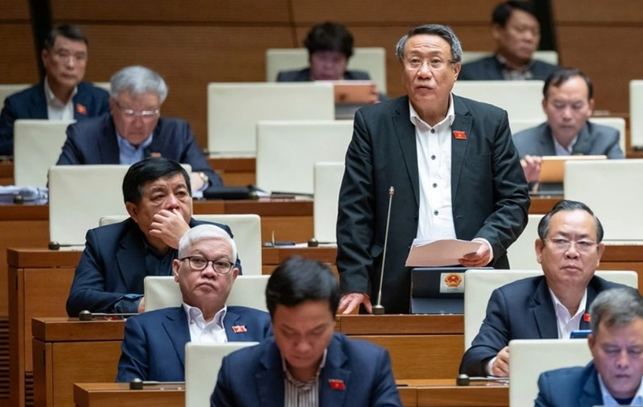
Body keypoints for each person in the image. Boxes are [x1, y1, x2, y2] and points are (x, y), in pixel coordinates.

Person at [336, 24, 530, 315]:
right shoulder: (373, 124)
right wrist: (354, 281)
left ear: (455, 71)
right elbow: (355, 209)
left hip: (477, 272)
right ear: (403, 69)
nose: (423, 72)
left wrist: (488, 243)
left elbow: (514, 200)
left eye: (435, 62)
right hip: (392, 279)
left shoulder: (489, 122)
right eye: (414, 61)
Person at [460, 200, 626, 377]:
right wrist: (494, 364)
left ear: (599, 253)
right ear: (539, 250)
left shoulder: (621, 303)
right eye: (561, 241)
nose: (572, 252)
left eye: (584, 243)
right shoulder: (511, 301)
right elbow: (473, 359)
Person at [210, 257, 402, 407]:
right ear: (273, 323)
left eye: (316, 332)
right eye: (289, 332)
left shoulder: (370, 367)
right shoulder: (237, 372)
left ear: (333, 322)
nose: (303, 346)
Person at [66, 158, 238, 316]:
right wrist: (137, 304)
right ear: (134, 210)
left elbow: (235, 293)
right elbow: (78, 300)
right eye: (159, 196)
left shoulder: (218, 237)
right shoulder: (104, 242)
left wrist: (186, 241)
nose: (174, 204)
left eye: (181, 194)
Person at [116, 225, 270, 382]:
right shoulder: (145, 330)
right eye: (198, 261)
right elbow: (128, 397)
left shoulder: (263, 326)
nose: (209, 272)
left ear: (234, 276)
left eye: (221, 264)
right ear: (176, 269)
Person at [56, 65, 221, 194]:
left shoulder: (177, 133)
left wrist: (199, 178)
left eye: (148, 113)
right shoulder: (83, 135)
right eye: (130, 112)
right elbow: (58, 185)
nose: (138, 123)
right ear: (112, 106)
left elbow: (213, 180)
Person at [534, 288, 643, 406]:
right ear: (592, 344)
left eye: (635, 351)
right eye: (611, 350)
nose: (623, 362)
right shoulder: (558, 394)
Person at [0, 24, 109, 156]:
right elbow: (3, 149)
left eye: (79, 57)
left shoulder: (100, 101)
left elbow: (108, 145)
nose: (71, 64)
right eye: (63, 55)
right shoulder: (17, 104)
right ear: (45, 57)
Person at [514, 68, 624, 186]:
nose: (567, 115)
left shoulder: (607, 140)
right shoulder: (520, 144)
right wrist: (523, 182)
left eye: (576, 106)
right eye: (558, 105)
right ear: (545, 106)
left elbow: (619, 184)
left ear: (590, 107)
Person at [459, 0, 559, 81]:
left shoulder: (556, 75)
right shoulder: (470, 74)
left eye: (535, 31)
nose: (529, 38)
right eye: (520, 29)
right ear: (497, 31)